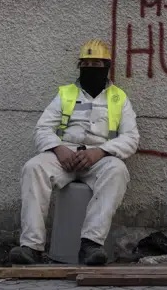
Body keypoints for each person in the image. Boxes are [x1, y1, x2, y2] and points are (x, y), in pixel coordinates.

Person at [10, 39, 140, 266]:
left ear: (107, 67)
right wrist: (59, 149)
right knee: (33, 168)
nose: (90, 69)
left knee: (118, 171)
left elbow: (131, 138)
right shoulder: (65, 94)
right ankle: (31, 247)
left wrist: (100, 152)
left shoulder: (119, 98)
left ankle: (91, 245)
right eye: (86, 64)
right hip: (64, 155)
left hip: (99, 157)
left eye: (96, 64)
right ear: (79, 67)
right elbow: (42, 128)